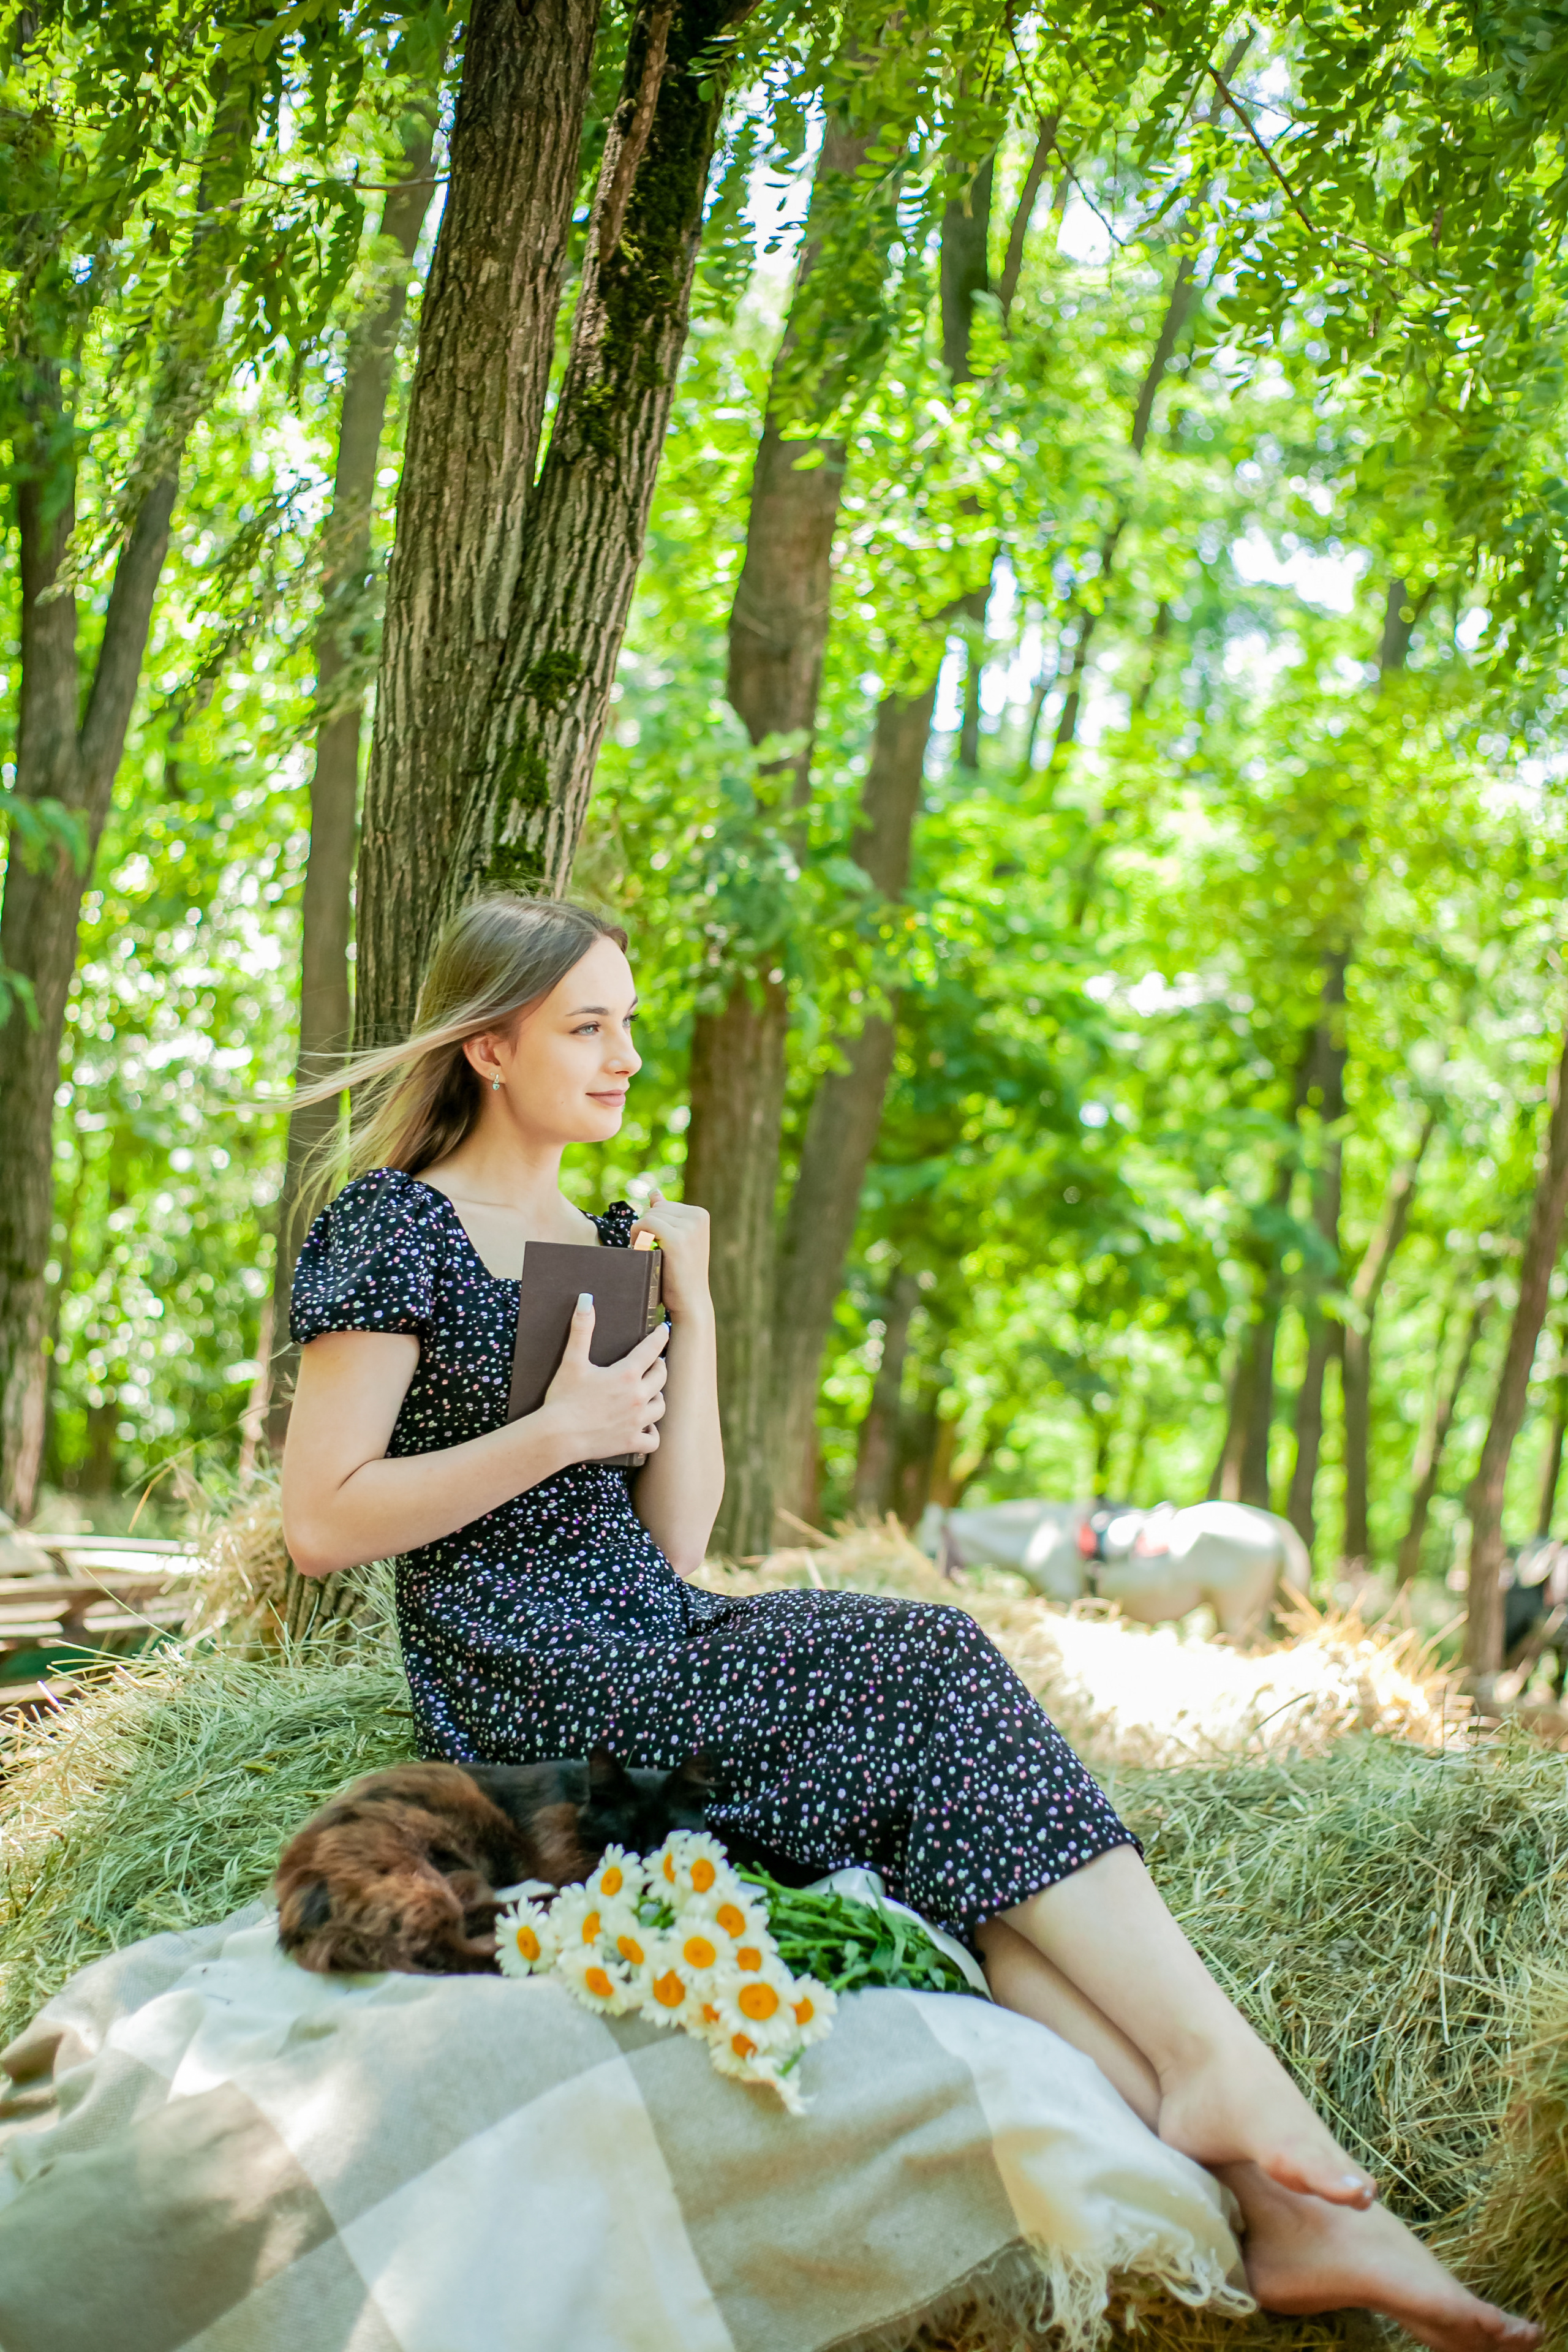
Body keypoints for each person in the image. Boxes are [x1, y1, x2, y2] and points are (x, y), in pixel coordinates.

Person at [282, 892, 1537, 2352]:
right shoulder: (398, 1225)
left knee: (977, 1858)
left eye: (628, 1023)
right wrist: (555, 1430)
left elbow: (676, 1540)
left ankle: (1276, 2201)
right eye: (587, 1028)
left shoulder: (601, 1238)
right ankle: (1226, 2085)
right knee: (922, 1654)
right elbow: (323, 1520)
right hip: (527, 1689)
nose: (624, 1056)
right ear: (490, 1049)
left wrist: (693, 1307)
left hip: (654, 1634)